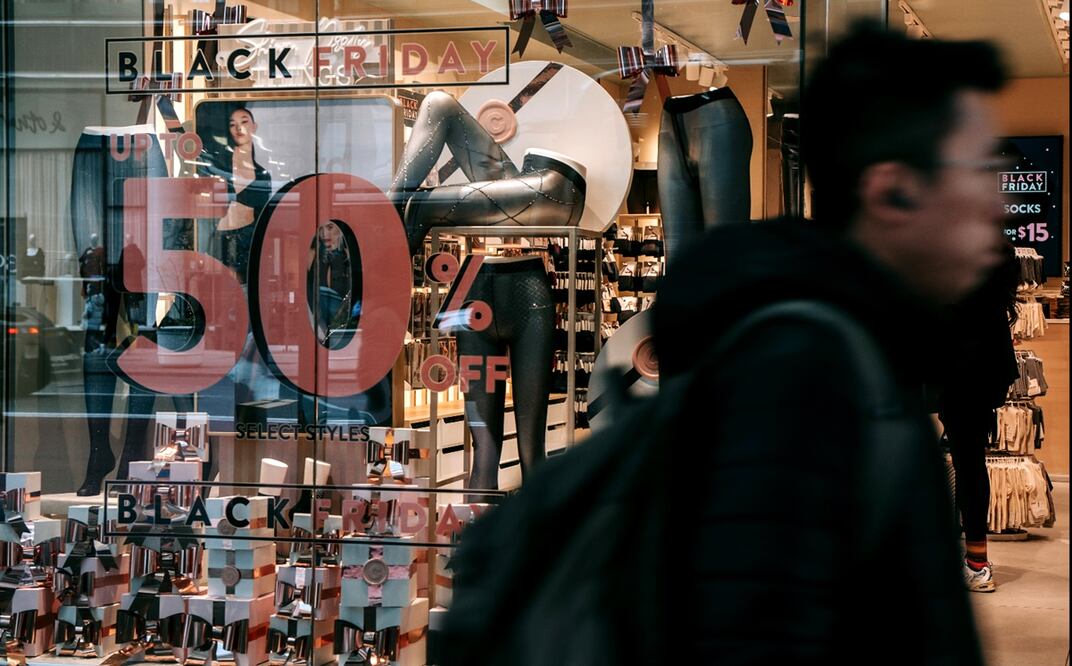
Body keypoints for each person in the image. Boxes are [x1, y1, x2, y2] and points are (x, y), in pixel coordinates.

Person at [650, 24, 1006, 662]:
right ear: (893, 190)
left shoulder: (867, 364)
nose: (996, 203)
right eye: (978, 169)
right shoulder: (812, 389)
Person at [937, 240, 1021, 592]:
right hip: (985, 368)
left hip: (954, 367)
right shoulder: (1000, 248)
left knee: (965, 461)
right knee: (972, 462)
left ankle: (973, 562)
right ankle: (976, 559)